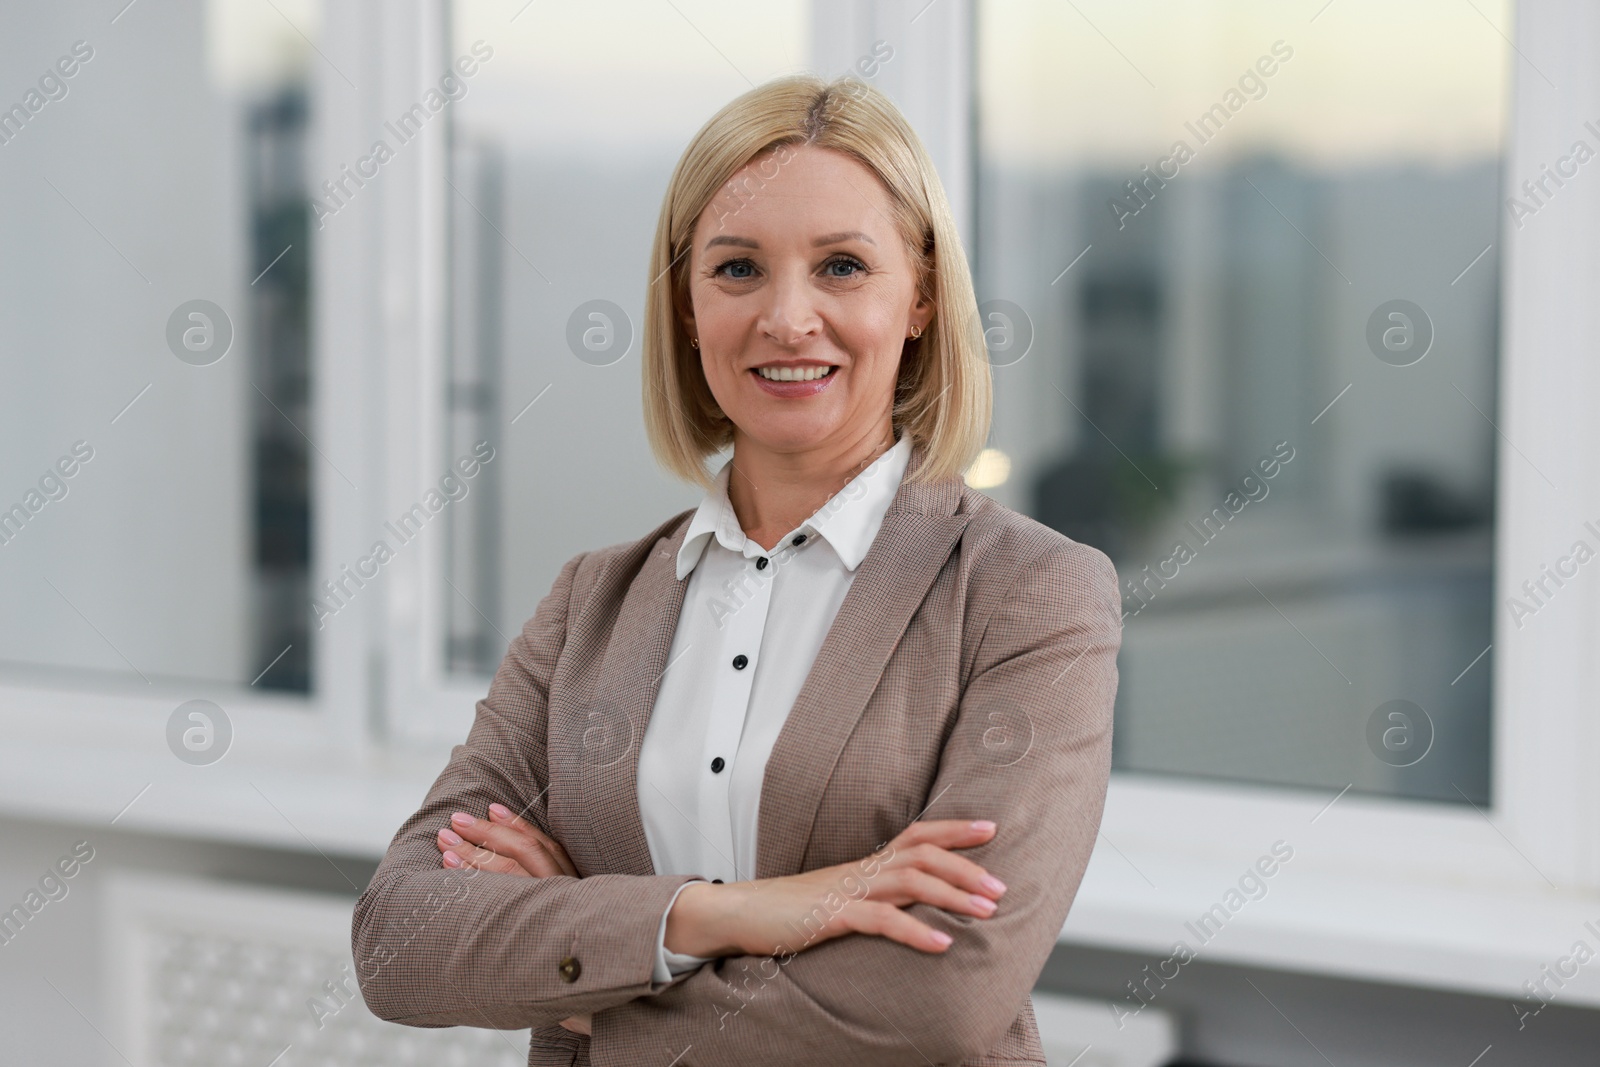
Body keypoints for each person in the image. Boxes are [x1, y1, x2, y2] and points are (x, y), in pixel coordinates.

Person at [352, 71, 1121, 1066]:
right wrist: (735, 912)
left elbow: (941, 996)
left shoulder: (1029, 593)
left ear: (921, 294)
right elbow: (398, 940)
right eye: (737, 269)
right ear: (685, 303)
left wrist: (589, 974)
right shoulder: (591, 601)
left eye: (842, 266)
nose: (788, 319)